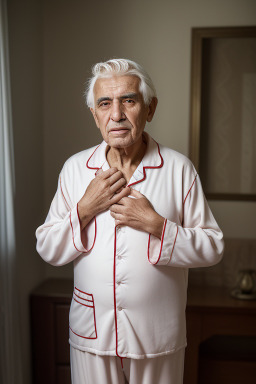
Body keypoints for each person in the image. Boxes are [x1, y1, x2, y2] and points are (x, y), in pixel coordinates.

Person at [36, 58, 224, 384]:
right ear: (94, 115)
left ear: (149, 109)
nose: (117, 114)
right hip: (92, 333)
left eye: (129, 101)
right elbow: (48, 249)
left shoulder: (179, 170)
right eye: (105, 103)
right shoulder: (75, 170)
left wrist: (158, 226)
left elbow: (213, 246)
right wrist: (84, 209)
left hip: (157, 335)